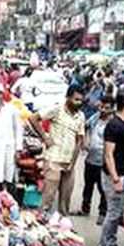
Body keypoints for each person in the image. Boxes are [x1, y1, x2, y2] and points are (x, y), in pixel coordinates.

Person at [31, 85, 86, 216]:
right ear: (67, 97)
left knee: (65, 200)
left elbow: (79, 140)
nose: (78, 103)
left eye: (80, 100)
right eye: (76, 99)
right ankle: (42, 223)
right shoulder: (57, 109)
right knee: (48, 198)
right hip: (53, 159)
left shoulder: (81, 116)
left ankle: (62, 226)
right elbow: (33, 118)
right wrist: (45, 137)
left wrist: (73, 163)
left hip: (69, 162)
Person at [96, 89, 124, 246]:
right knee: (112, 213)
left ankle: (111, 242)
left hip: (123, 174)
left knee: (118, 212)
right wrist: (116, 179)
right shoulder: (114, 125)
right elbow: (108, 154)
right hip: (114, 176)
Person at [81, 95, 114, 222]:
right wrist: (84, 142)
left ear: (112, 109)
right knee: (88, 186)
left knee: (103, 189)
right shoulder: (95, 117)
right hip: (90, 159)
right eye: (101, 107)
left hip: (104, 161)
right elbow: (84, 126)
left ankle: (102, 212)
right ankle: (85, 208)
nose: (103, 110)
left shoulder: (113, 123)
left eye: (107, 108)